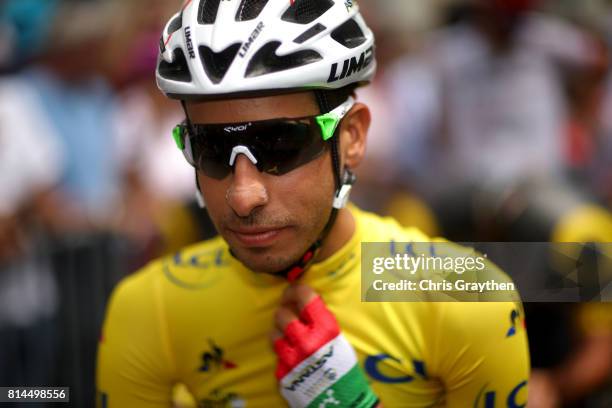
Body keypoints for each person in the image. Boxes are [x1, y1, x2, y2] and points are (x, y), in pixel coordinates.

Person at [97, 0, 530, 406]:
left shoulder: (469, 299)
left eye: (281, 143)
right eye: (210, 147)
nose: (243, 196)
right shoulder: (146, 308)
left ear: (352, 137)